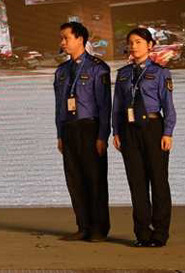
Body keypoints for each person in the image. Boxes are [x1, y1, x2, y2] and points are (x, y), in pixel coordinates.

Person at [113, 28, 176, 248]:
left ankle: (159, 233)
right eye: (130, 42)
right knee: (137, 183)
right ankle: (142, 233)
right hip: (129, 130)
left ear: (150, 45)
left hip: (153, 128)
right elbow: (117, 106)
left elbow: (168, 106)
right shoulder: (123, 74)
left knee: (158, 181)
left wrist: (168, 132)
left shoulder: (160, 73)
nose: (133, 46)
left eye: (138, 42)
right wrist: (116, 131)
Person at [54, 22, 111, 242]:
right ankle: (83, 226)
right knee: (75, 180)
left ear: (80, 39)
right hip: (69, 129)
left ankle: (98, 229)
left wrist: (102, 136)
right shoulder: (61, 71)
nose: (62, 42)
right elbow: (59, 106)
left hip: (90, 128)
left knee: (95, 179)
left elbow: (104, 106)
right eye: (61, 38)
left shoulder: (97, 68)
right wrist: (60, 134)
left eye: (66, 38)